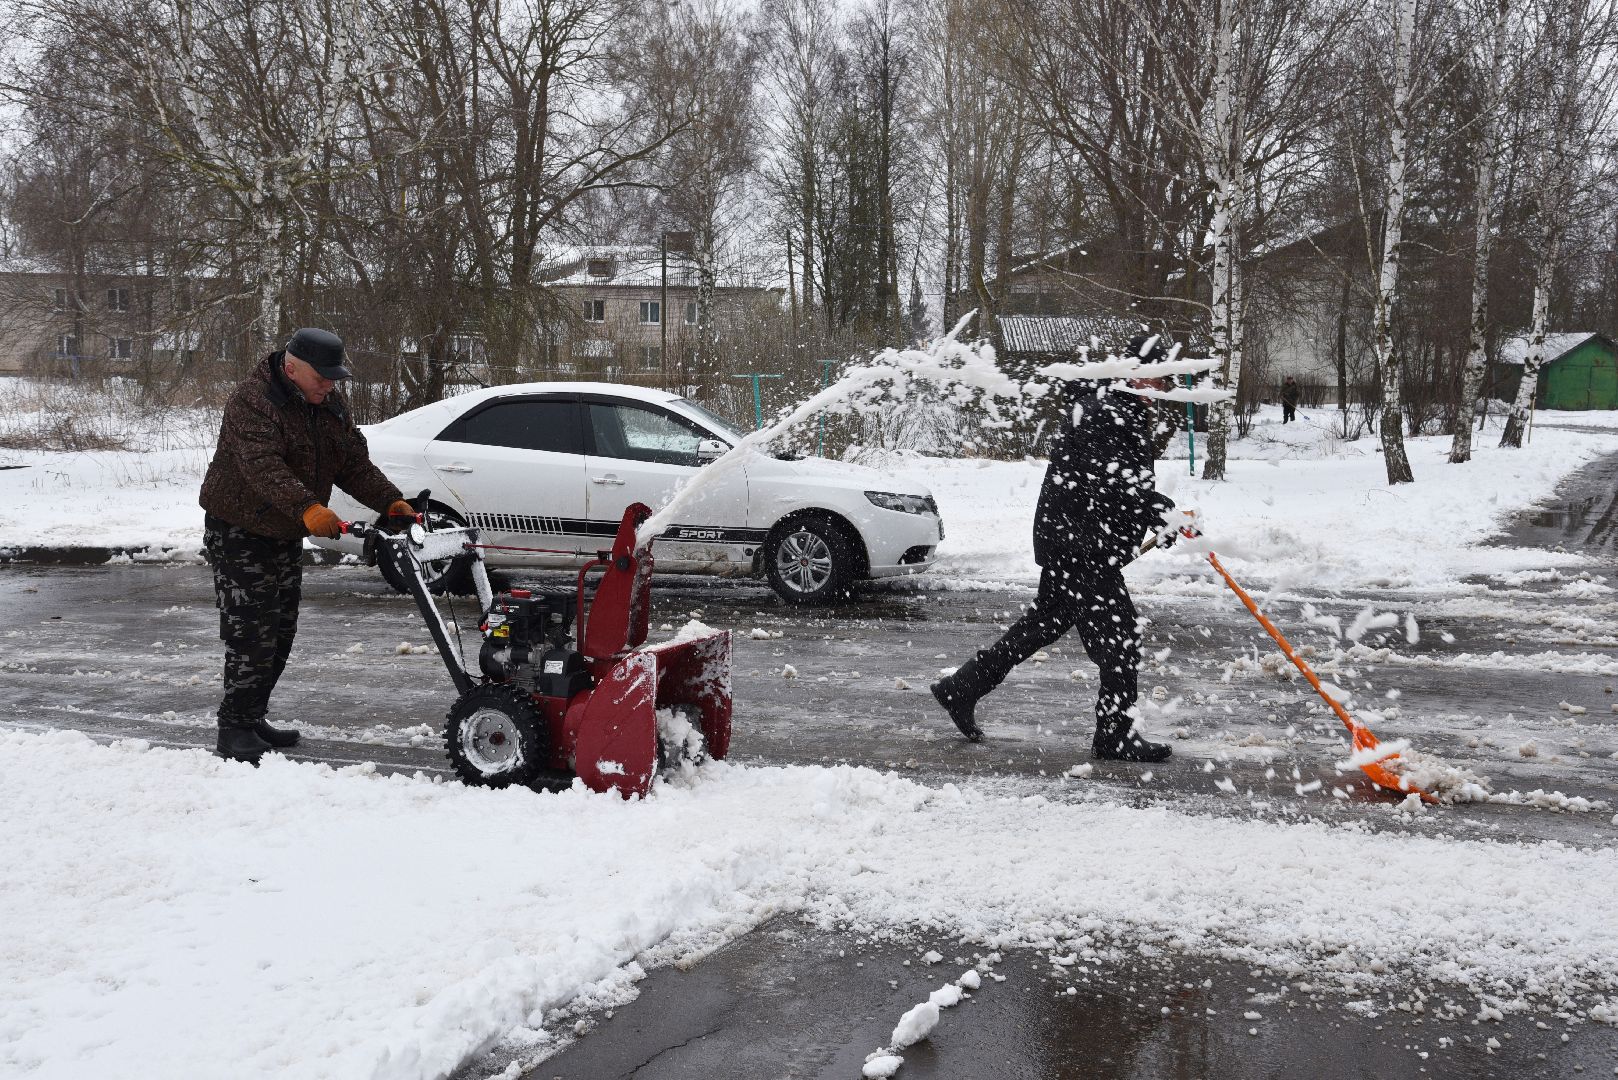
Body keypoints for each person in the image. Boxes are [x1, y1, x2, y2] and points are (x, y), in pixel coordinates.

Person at [930, 332, 1182, 763]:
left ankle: (962, 687)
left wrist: (1154, 514)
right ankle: (1114, 735)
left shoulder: (1110, 407)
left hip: (1074, 542)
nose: (1161, 390)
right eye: (1158, 380)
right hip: (1082, 547)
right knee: (1121, 642)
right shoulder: (1110, 413)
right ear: (1136, 375)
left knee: (1041, 627)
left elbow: (1112, 486)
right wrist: (1159, 511)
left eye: (1165, 382)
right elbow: (1114, 483)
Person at [198, 328, 414, 763]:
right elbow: (263, 467)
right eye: (323, 376)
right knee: (251, 632)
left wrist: (390, 501)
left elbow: (352, 462)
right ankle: (233, 728)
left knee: (280, 631)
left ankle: (252, 716)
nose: (331, 384)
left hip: (284, 531)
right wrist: (309, 508)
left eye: (335, 377)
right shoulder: (252, 400)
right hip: (240, 529)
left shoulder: (327, 402)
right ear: (292, 368)